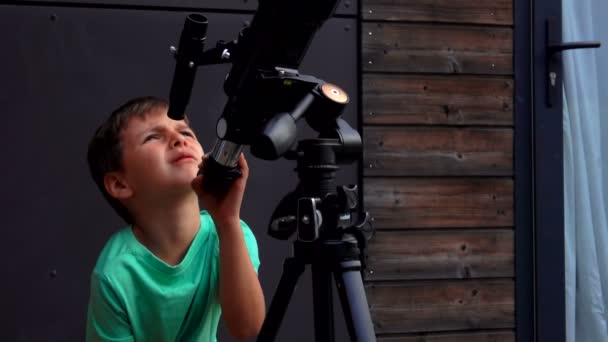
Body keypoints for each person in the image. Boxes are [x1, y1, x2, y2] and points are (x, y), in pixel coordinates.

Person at [85, 96, 265, 341]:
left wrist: (228, 221)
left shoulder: (232, 234)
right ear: (119, 183)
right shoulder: (115, 273)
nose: (179, 139)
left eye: (186, 132)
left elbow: (247, 330)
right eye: (153, 137)